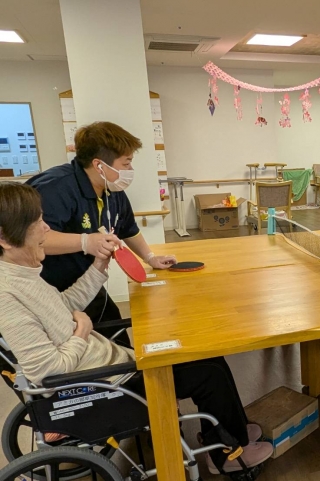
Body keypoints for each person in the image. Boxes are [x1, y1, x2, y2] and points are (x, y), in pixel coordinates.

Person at [0, 182, 272, 474]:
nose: (46, 228)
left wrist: (98, 266)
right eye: (37, 222)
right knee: (209, 373)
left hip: (111, 367)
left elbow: (63, 305)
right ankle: (226, 457)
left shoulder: (24, 274)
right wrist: (82, 331)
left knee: (209, 357)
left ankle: (229, 432)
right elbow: (46, 372)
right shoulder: (8, 295)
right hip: (105, 384)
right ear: (4, 238)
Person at [27, 122, 177, 328]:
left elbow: (128, 229)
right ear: (99, 165)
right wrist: (86, 242)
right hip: (49, 289)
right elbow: (31, 240)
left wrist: (150, 258)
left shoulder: (111, 189)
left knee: (116, 330)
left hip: (87, 281)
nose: (130, 170)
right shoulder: (55, 189)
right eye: (126, 164)